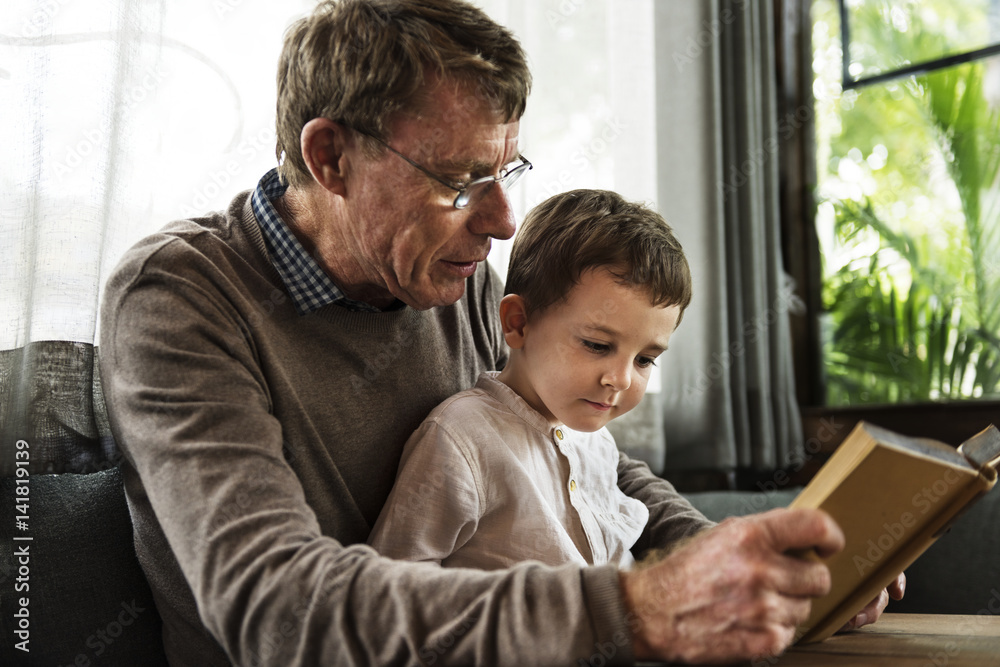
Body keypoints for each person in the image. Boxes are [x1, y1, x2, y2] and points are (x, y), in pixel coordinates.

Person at [98, 1, 902, 665]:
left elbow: (583, 457)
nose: (503, 219)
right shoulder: (180, 298)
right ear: (331, 157)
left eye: (506, 171)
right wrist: (631, 605)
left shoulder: (458, 280)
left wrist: (742, 561)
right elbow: (276, 609)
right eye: (459, 181)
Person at [368, 189, 691, 571]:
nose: (620, 379)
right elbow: (394, 583)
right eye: (597, 345)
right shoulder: (460, 440)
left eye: (645, 359)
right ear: (518, 323)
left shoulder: (592, 437)